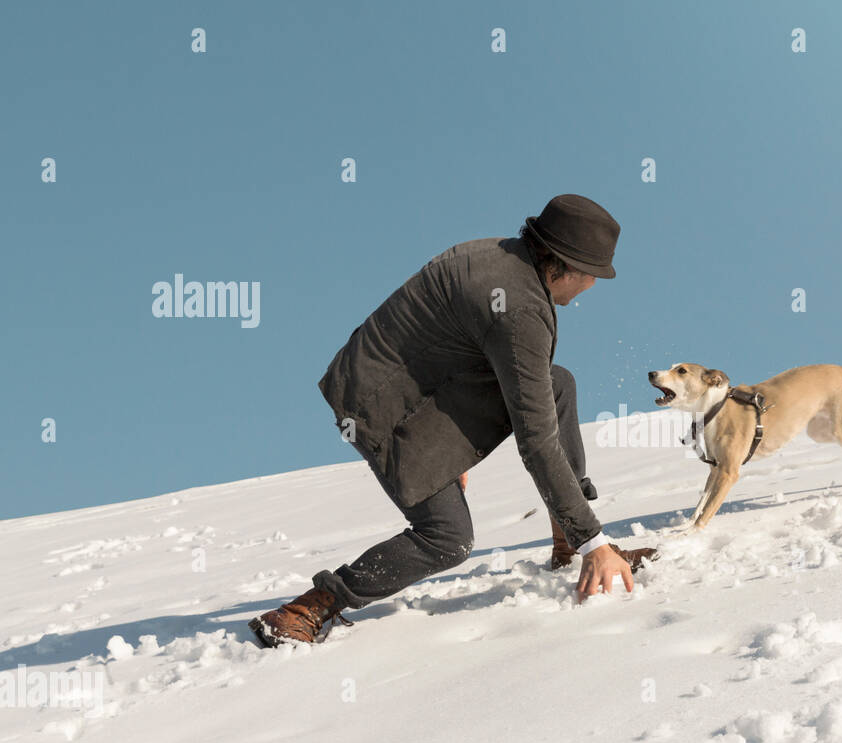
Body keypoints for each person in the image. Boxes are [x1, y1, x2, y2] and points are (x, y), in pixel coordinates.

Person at [248, 195, 657, 647]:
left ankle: (568, 543)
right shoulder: (519, 310)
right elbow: (536, 440)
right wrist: (596, 541)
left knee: (556, 383)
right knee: (447, 537)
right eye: (593, 276)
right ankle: (309, 606)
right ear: (567, 266)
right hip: (378, 406)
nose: (592, 289)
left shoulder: (497, 254)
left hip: (414, 382)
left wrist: (451, 440)